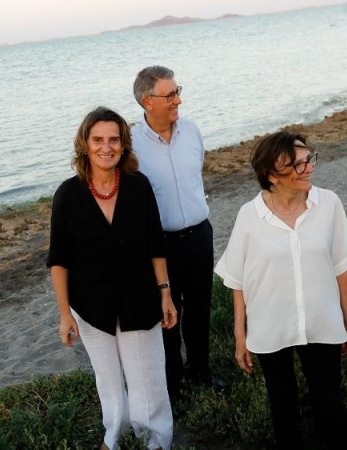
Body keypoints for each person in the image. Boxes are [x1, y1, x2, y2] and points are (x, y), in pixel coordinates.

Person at [214, 131, 347, 449]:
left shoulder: (328, 204)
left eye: (309, 160)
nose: (307, 169)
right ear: (270, 175)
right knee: (283, 409)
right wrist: (241, 335)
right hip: (270, 326)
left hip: (322, 322)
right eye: (296, 165)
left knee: (331, 407)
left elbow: (340, 266)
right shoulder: (250, 216)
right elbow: (237, 279)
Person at [47, 106, 177, 450]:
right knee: (107, 380)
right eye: (98, 140)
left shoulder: (138, 186)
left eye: (114, 140)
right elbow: (58, 259)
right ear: (85, 144)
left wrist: (165, 293)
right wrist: (64, 314)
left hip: (140, 299)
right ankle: (114, 439)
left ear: (124, 145)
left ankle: (155, 442)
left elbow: (155, 244)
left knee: (147, 379)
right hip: (90, 305)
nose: (107, 147)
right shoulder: (67, 195)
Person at [131, 66, 223, 403]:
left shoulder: (193, 131)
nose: (178, 100)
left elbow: (197, 175)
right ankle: (173, 388)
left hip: (200, 235)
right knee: (168, 316)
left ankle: (201, 372)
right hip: (160, 246)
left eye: (177, 91)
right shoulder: (131, 145)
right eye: (170, 95)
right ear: (147, 101)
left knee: (200, 309)